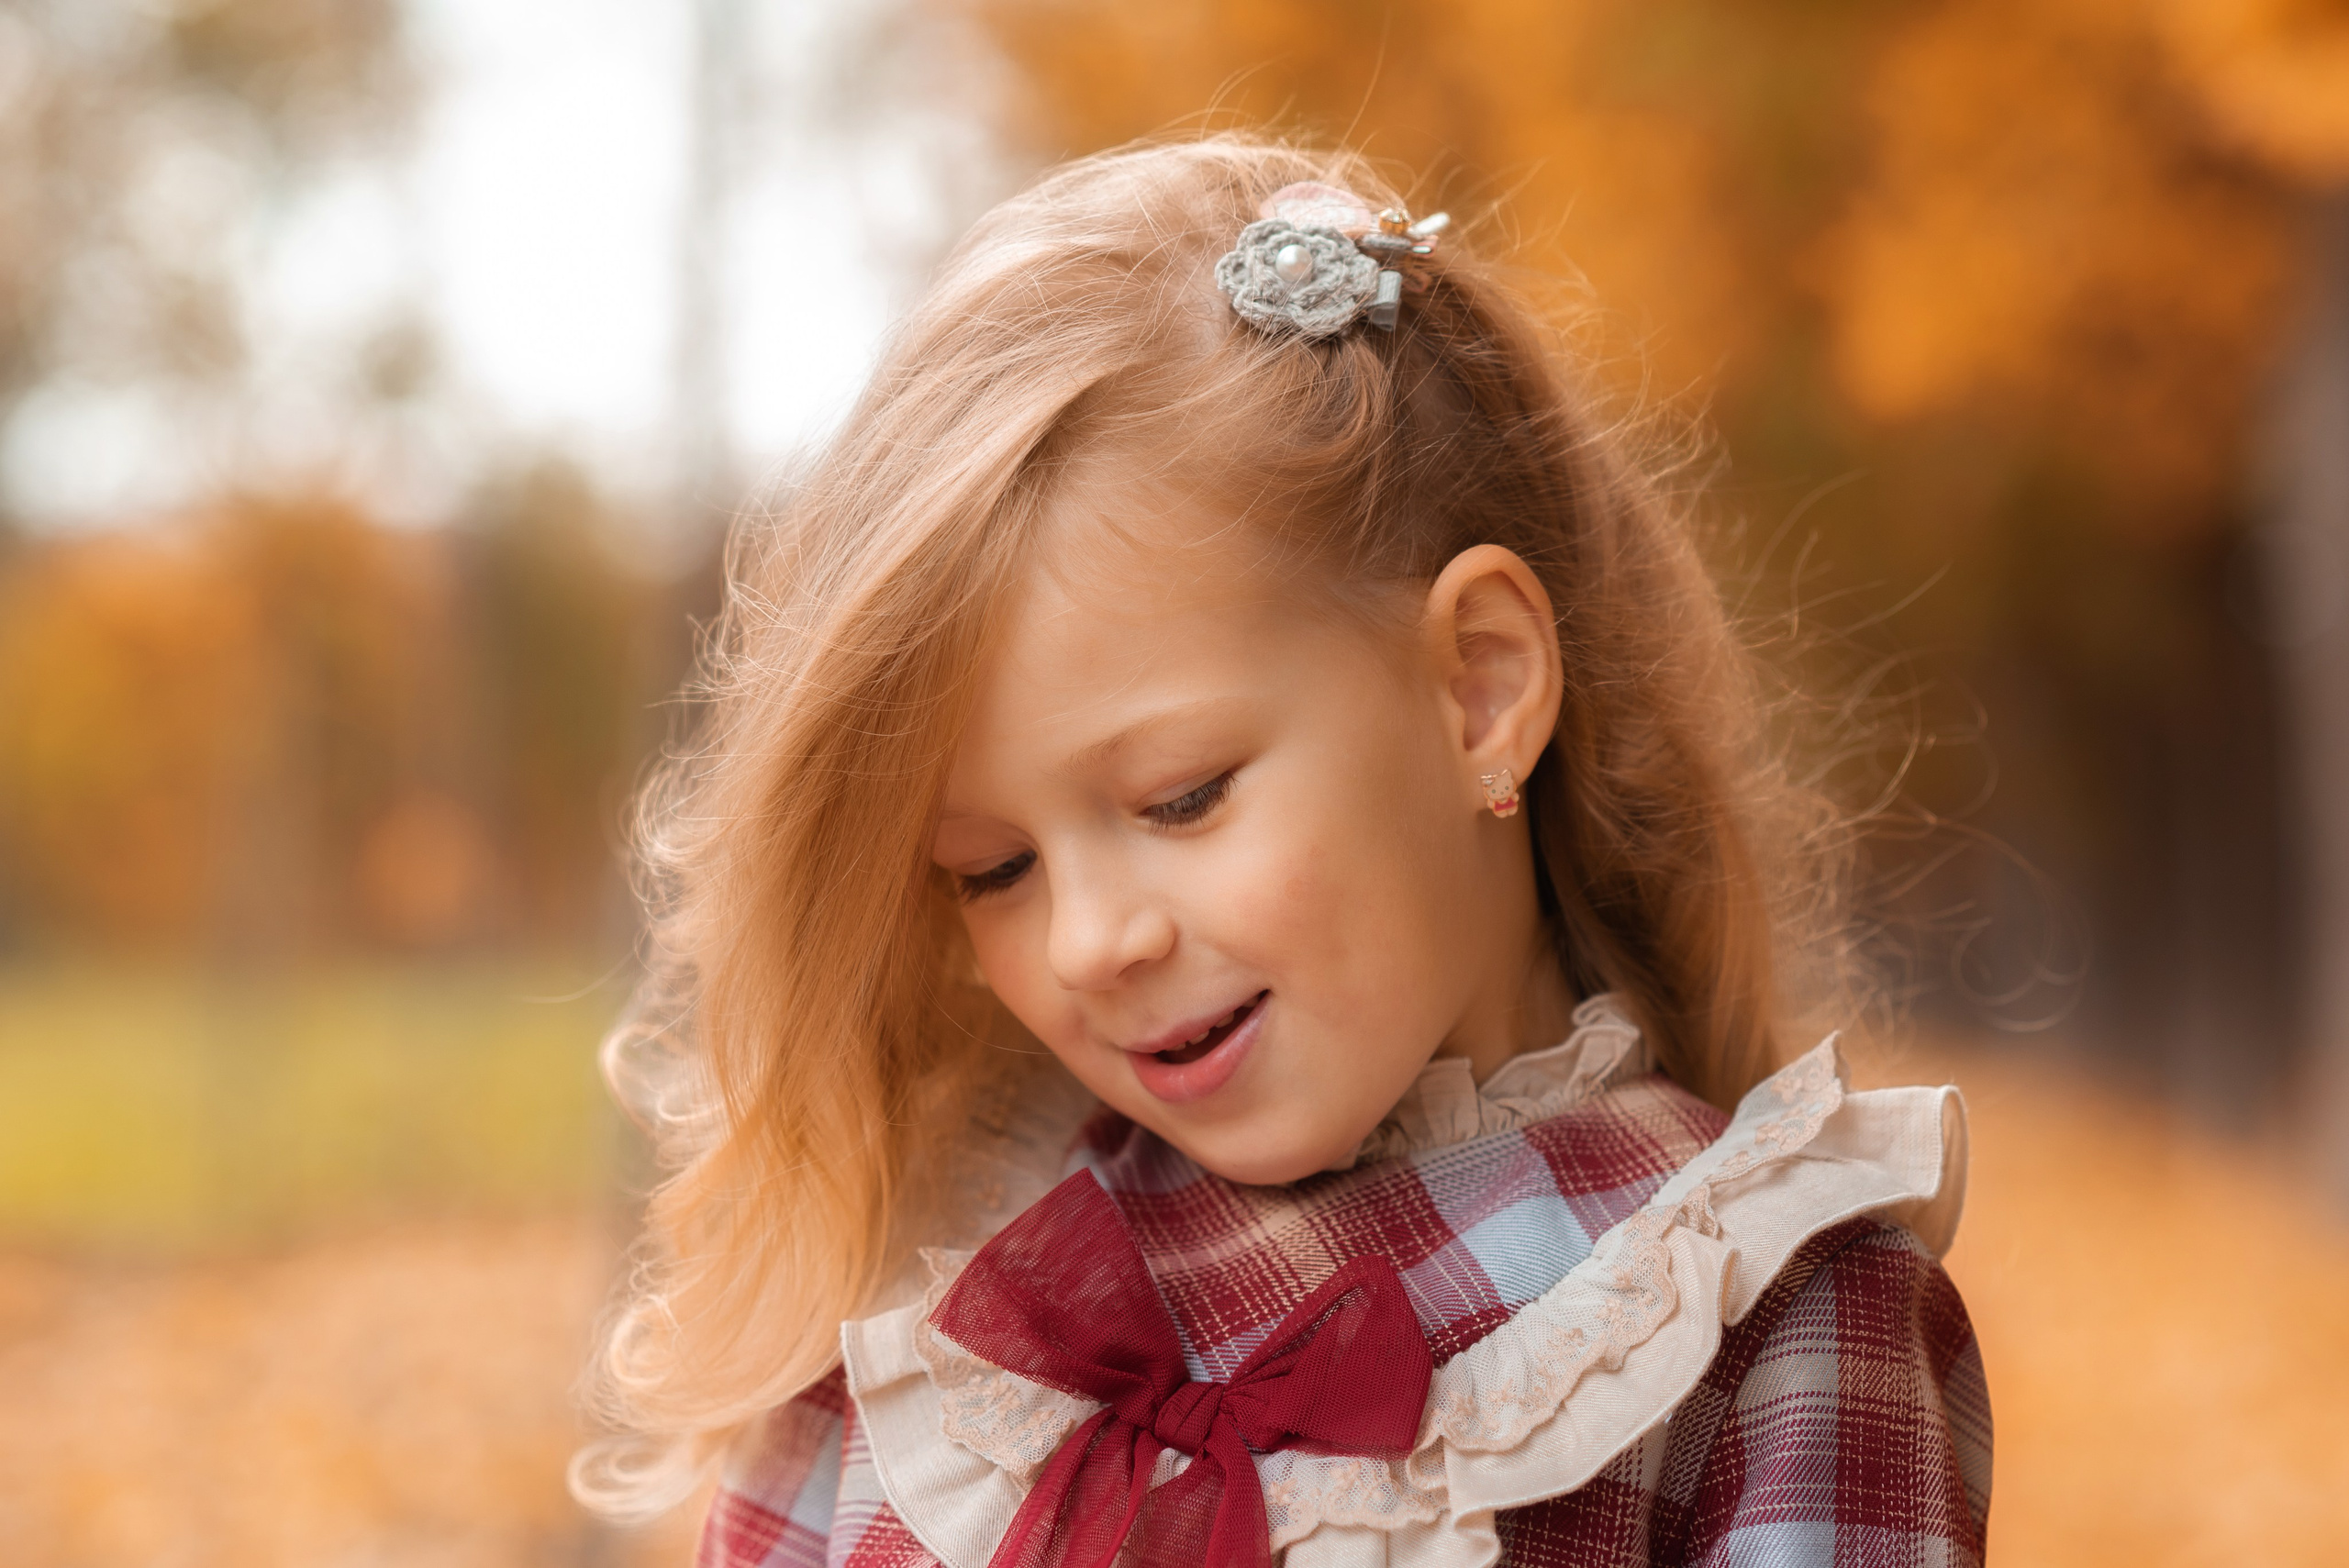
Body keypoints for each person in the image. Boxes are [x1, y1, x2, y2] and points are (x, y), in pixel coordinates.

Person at [573, 135, 1991, 1568]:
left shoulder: (1759, 1309)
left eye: (1182, 797)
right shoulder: (926, 1318)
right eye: (992, 869)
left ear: (1479, 688)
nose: (1087, 941)